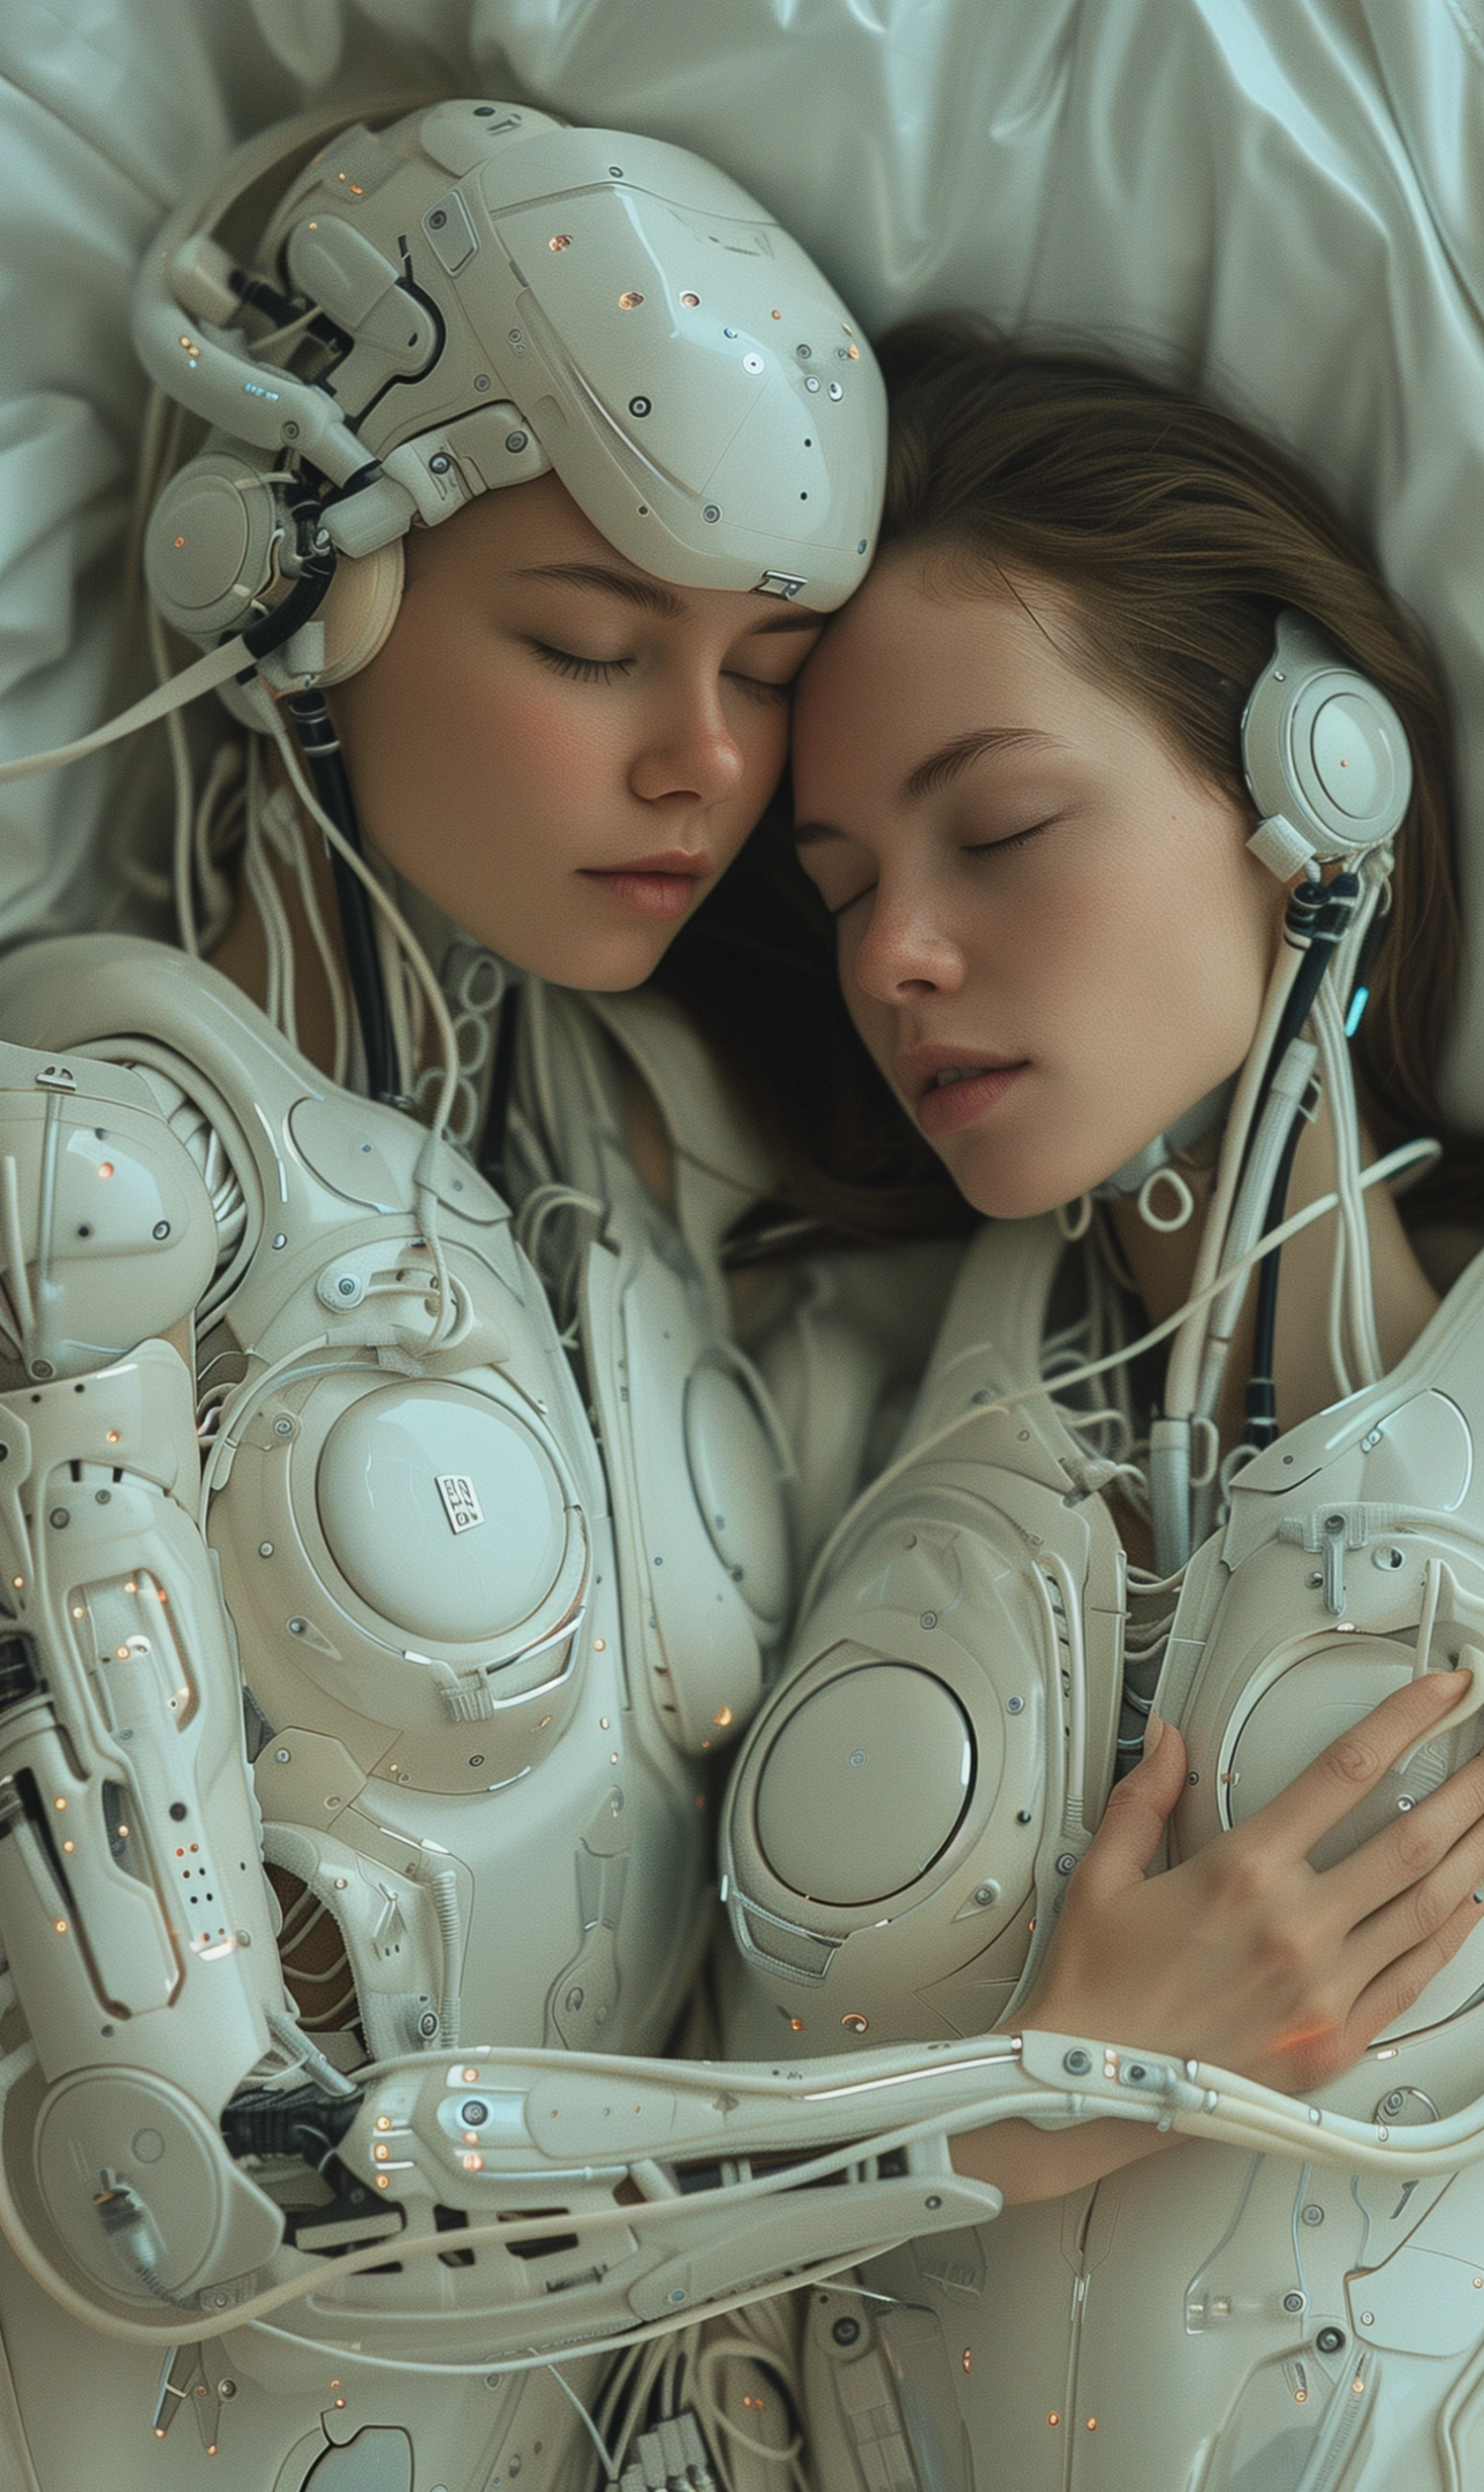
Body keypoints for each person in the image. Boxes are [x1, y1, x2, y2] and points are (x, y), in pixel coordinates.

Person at [0, 110, 1475, 2486]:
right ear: (286, 584)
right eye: (592, 645)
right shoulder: (83, 1179)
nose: (698, 760)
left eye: (765, 670)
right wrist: (1040, 2081)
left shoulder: (685, 1250)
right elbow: (171, 2180)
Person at [715, 314, 1484, 2488]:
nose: (893, 958)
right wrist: (1028, 2102)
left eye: (1003, 828)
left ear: (1316, 786)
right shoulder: (797, 1413)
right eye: (846, 884)